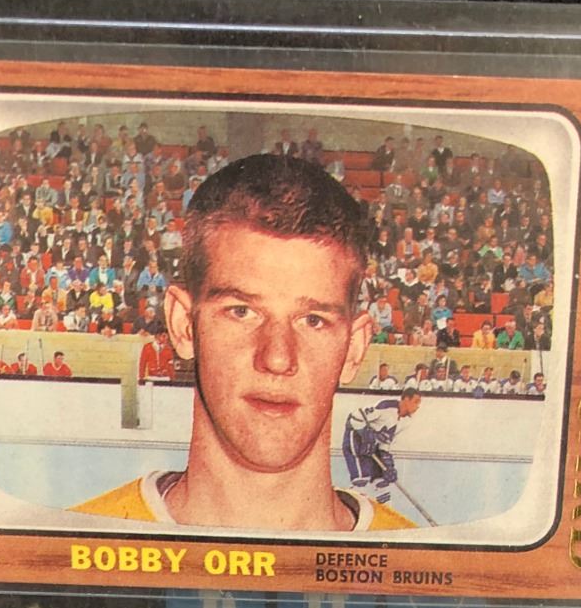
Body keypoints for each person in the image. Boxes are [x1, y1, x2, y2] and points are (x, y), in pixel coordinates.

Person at [71, 155, 416, 533]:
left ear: (353, 348)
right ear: (184, 326)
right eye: (241, 312)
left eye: (313, 320)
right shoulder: (71, 544)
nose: (278, 358)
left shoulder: (418, 557)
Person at [342, 391, 420, 504]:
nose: (418, 406)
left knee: (383, 480)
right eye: (416, 402)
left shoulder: (405, 422)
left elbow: (386, 442)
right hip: (355, 437)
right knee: (362, 480)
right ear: (406, 399)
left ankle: (384, 511)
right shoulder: (386, 407)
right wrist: (366, 435)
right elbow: (354, 418)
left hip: (374, 445)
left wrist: (388, 465)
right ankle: (354, 507)